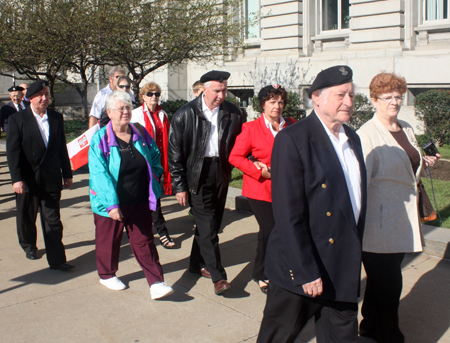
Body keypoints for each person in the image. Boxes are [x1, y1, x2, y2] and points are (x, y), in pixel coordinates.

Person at [257, 65, 367, 343]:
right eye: (341, 95)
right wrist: (305, 271)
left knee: (341, 336)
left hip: (341, 263)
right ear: (316, 97)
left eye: (352, 95)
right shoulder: (293, 139)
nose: (349, 102)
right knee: (278, 337)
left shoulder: (352, 138)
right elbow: (287, 212)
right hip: (302, 265)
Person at [356, 72, 440, 343]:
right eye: (387, 97)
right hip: (377, 224)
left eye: (398, 96)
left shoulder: (406, 127)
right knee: (391, 284)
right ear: (374, 100)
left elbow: (407, 162)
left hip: (403, 217)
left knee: (382, 280)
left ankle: (369, 325)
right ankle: (390, 334)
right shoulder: (366, 135)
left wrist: (423, 162)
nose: (394, 101)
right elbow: (359, 184)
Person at [88, 90, 173, 299]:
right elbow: (100, 174)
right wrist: (111, 205)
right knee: (109, 241)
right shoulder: (100, 138)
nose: (125, 112)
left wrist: (155, 175)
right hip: (111, 202)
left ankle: (156, 282)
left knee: (144, 241)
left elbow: (154, 155)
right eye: (120, 108)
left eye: (128, 107)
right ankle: (107, 274)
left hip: (139, 199)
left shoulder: (140, 133)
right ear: (109, 112)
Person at [168, 70, 243, 295]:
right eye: (217, 90)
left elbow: (241, 143)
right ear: (204, 89)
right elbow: (175, 154)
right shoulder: (184, 114)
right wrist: (179, 186)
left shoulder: (233, 112)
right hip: (196, 175)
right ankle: (218, 277)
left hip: (220, 171)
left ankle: (194, 263)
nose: (222, 95)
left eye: (225, 90)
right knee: (208, 226)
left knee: (211, 224)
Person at [229, 84, 295, 294]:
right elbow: (235, 157)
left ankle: (278, 268)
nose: (277, 106)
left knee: (281, 231)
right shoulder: (251, 128)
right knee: (270, 230)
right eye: (272, 101)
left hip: (287, 190)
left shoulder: (292, 125)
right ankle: (262, 273)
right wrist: (259, 171)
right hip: (261, 190)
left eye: (280, 101)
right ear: (262, 105)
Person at [6, 80, 74, 270]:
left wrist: (66, 173)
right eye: (40, 95)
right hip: (28, 180)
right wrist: (16, 179)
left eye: (46, 94)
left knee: (53, 221)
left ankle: (57, 260)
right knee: (27, 217)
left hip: (51, 178)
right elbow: (13, 153)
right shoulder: (17, 120)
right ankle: (29, 245)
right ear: (30, 99)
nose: (44, 98)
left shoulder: (56, 118)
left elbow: (61, 148)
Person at [131, 82, 175, 248]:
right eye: (150, 94)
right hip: (143, 163)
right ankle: (161, 231)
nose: (154, 97)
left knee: (152, 197)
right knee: (152, 198)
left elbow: (168, 138)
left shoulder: (162, 114)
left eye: (156, 94)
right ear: (143, 96)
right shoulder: (136, 115)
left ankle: (150, 231)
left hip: (159, 162)